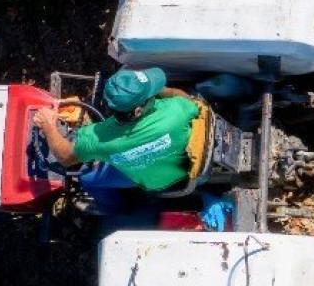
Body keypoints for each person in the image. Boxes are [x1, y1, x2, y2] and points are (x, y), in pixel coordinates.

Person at [32, 67, 200, 192]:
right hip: (181, 169)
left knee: (87, 180)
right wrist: (157, 90)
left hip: (154, 181)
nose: (154, 96)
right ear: (137, 111)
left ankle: (114, 208)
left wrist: (49, 125)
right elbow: (184, 97)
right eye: (151, 96)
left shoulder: (98, 140)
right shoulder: (177, 111)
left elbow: (64, 157)